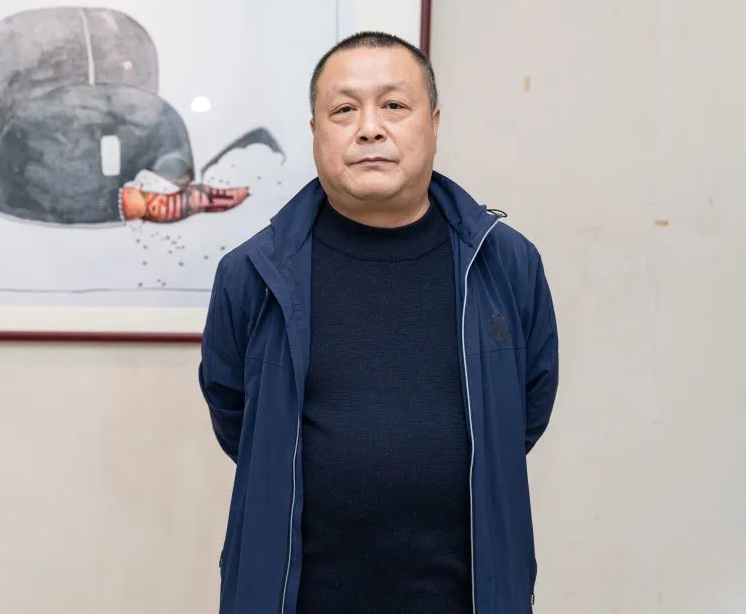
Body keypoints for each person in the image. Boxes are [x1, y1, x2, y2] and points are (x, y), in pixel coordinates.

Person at [198, 31, 559, 614]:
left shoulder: (505, 263)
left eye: (394, 105)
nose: (369, 128)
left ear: (433, 124)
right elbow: (239, 417)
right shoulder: (252, 273)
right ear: (315, 131)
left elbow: (523, 411)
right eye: (344, 110)